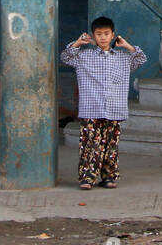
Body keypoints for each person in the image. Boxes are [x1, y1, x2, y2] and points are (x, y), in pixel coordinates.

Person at [60, 16, 147, 190]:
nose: (103, 37)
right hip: (91, 108)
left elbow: (141, 58)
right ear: (93, 36)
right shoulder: (84, 57)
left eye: (106, 34)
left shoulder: (123, 58)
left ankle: (108, 177)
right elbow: (66, 57)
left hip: (114, 109)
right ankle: (87, 178)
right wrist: (78, 42)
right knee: (89, 144)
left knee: (111, 144)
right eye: (99, 34)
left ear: (113, 35)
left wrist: (126, 45)